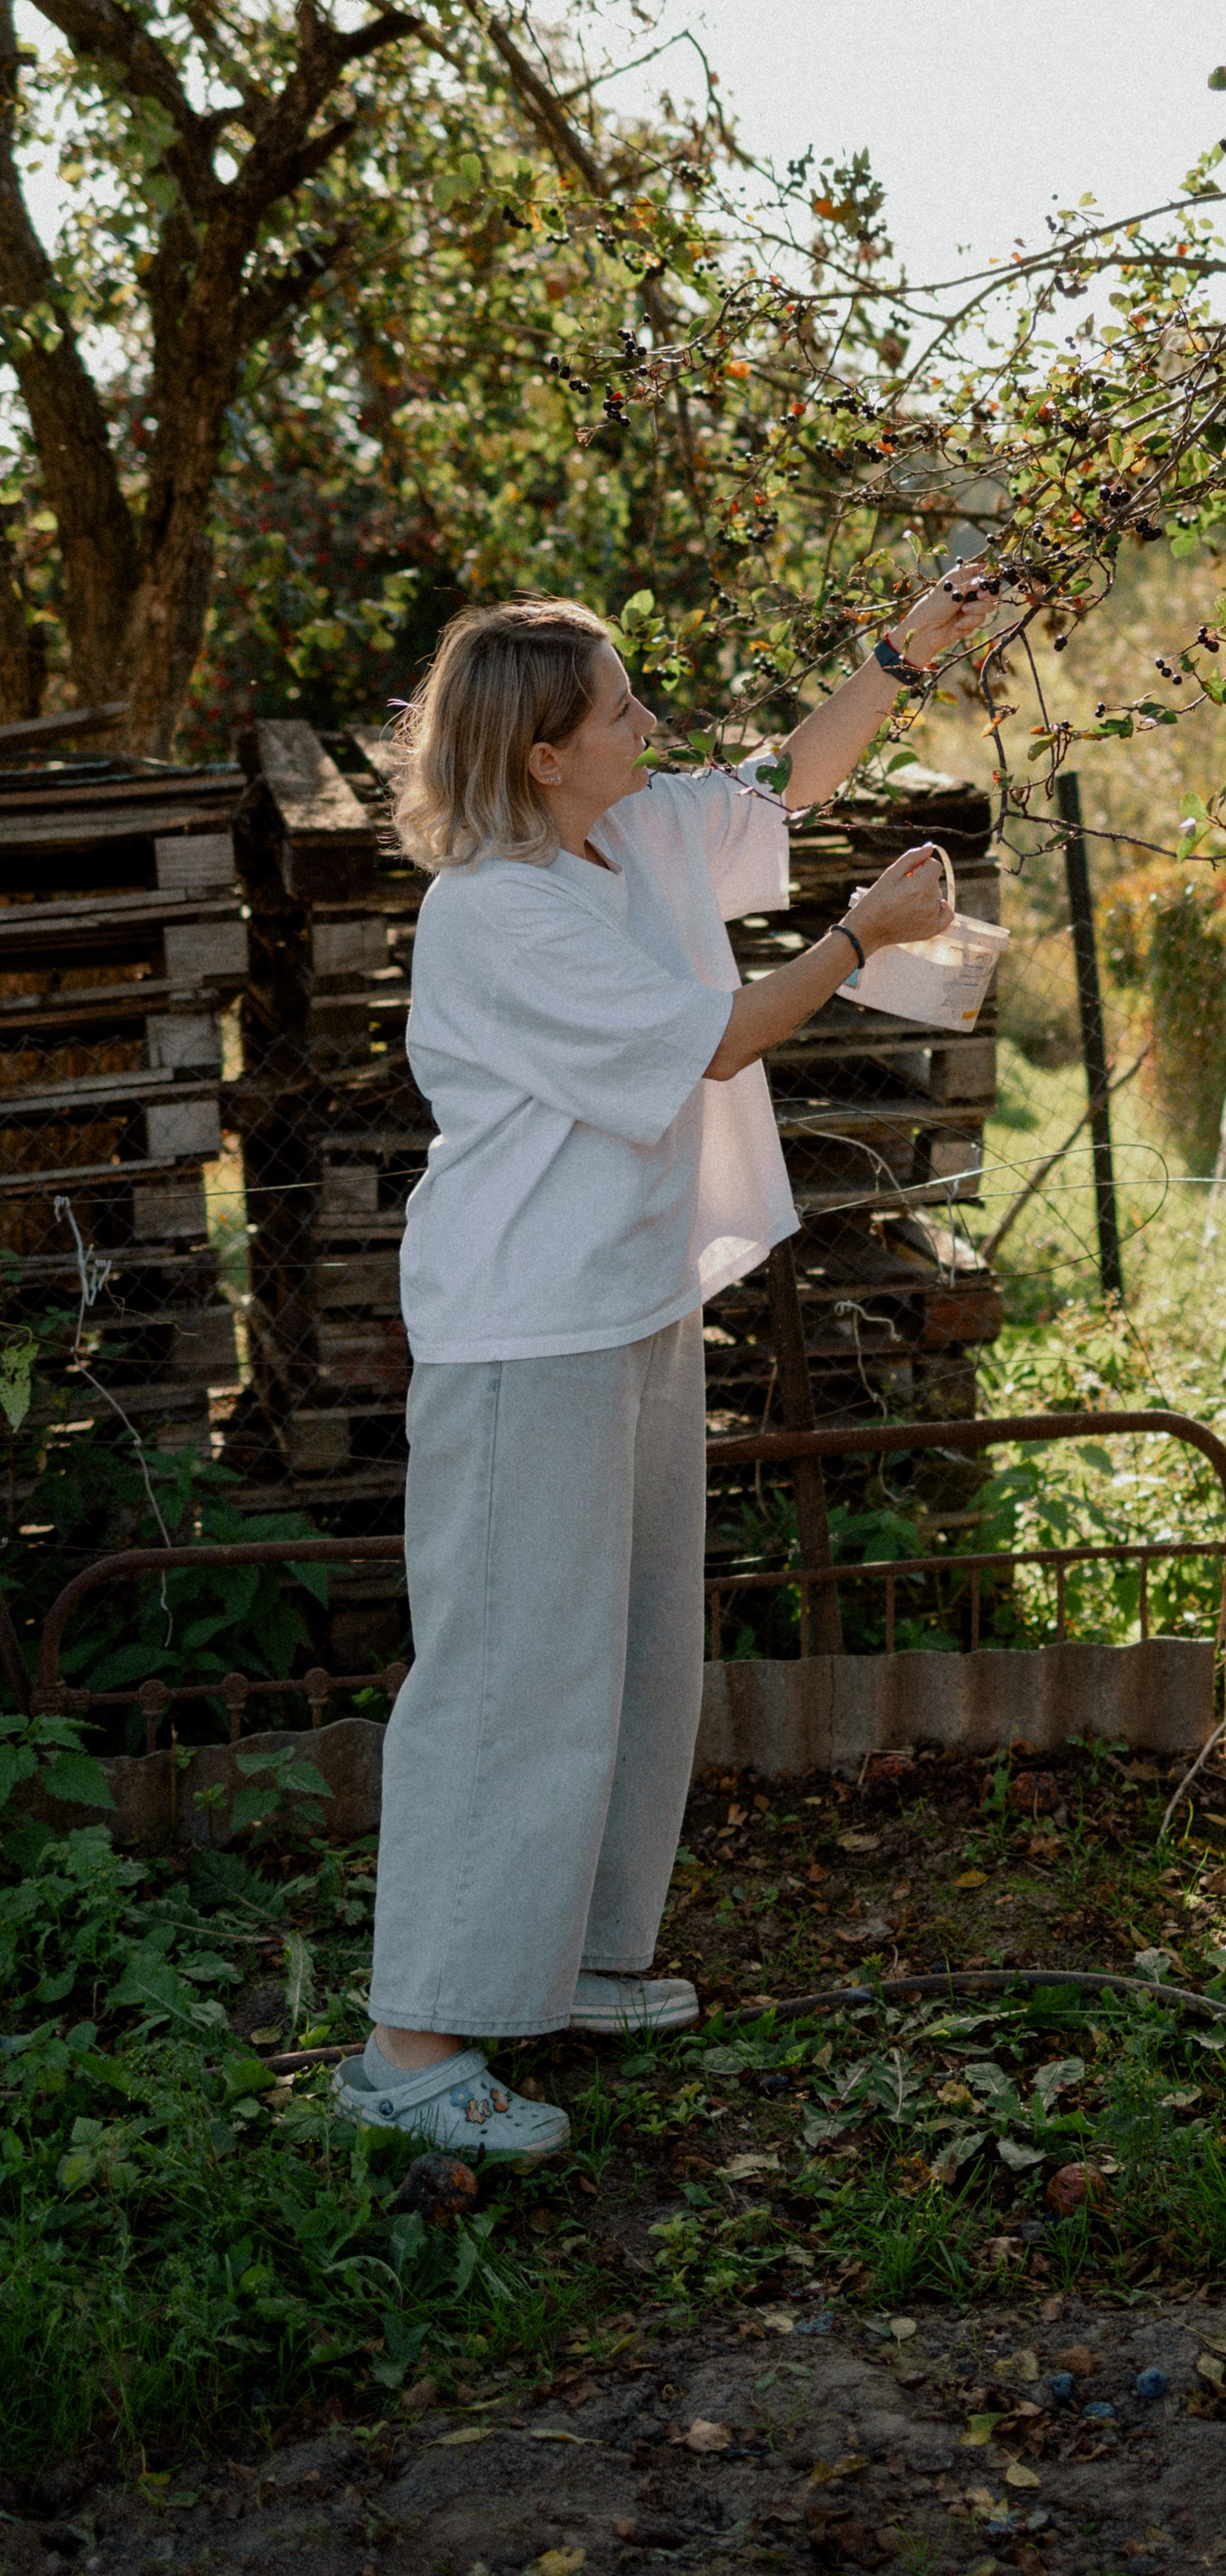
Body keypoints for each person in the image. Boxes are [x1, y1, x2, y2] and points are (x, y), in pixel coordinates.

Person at [331, 574, 992, 2164]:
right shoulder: (502, 909)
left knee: (628, 1653)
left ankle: (571, 1961)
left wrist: (904, 655)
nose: (651, 724)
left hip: (623, 1303)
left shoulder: (619, 838)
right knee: (505, 1674)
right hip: (522, 1328)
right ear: (546, 755)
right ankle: (411, 2040)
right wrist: (858, 936)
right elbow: (716, 1038)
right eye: (622, 709)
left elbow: (782, 780)